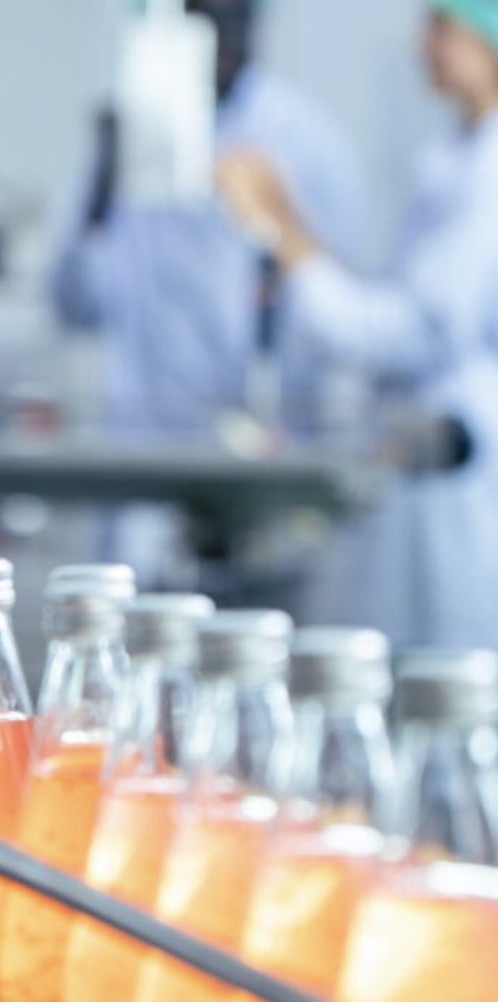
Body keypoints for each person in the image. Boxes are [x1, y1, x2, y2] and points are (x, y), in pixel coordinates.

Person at [218, 0, 498, 647]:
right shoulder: (453, 160)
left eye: (442, 26)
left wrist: (278, 223)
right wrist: (285, 221)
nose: (422, 44)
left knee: (454, 688)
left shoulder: (488, 173)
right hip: (424, 486)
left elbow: (409, 334)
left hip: (460, 484)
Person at [52, 0, 364, 439]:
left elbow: (342, 326)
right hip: (139, 451)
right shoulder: (135, 129)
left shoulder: (303, 141)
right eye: (200, 14)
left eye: (232, 14)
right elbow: (75, 306)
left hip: (263, 446)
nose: (220, 33)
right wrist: (99, 201)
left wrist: (278, 231)